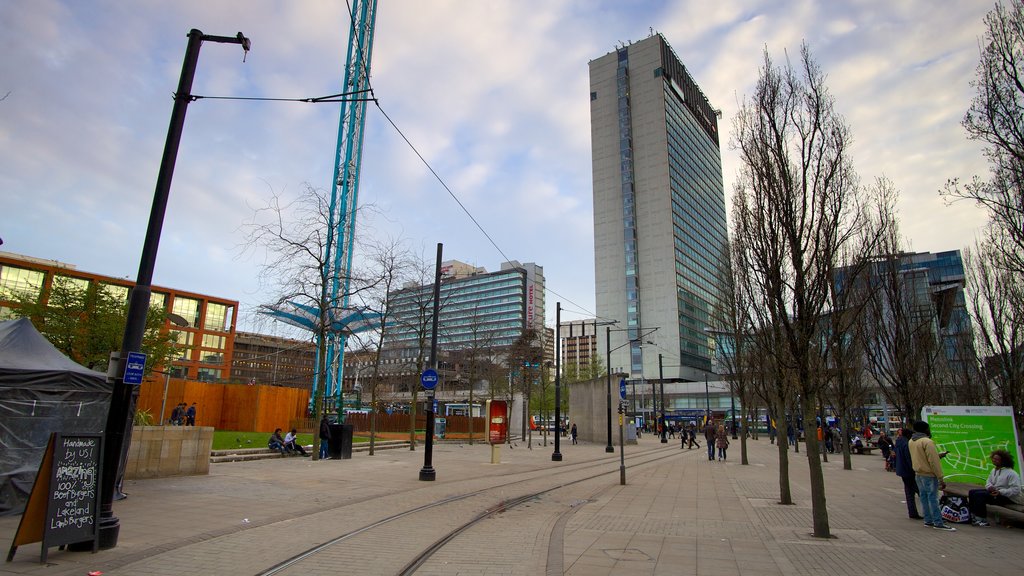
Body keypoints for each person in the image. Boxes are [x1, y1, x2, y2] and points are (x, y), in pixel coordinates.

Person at [909, 421, 955, 531]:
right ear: (925, 429)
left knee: (924, 497)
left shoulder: (911, 441)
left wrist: (938, 456)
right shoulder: (927, 442)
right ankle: (938, 522)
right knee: (933, 498)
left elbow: (922, 457)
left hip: (918, 473)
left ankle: (928, 520)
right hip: (929, 474)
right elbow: (933, 461)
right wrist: (940, 477)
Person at [968, 449, 1023, 527]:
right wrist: (990, 487)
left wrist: (1000, 492)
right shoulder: (994, 470)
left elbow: (1016, 490)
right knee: (972, 492)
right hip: (996, 493)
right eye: (993, 459)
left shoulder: (1011, 473)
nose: (994, 461)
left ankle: (981, 519)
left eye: (997, 459)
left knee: (980, 495)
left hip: (1008, 497)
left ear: (1003, 461)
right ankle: (973, 515)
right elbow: (988, 482)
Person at [893, 428, 922, 520]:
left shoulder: (899, 442)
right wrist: (914, 469)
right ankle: (929, 512)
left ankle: (912, 512)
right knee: (920, 491)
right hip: (909, 471)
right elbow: (909, 458)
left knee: (909, 493)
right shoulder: (907, 443)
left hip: (902, 470)